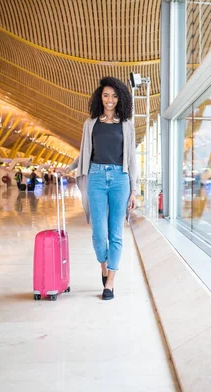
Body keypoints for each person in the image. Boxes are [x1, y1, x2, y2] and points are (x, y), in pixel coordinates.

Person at [67, 76, 137, 301]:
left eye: (114, 96)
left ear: (121, 99)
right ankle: (104, 267)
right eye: (106, 95)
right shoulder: (90, 124)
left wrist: (134, 189)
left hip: (120, 179)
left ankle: (111, 282)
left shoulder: (127, 125)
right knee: (99, 234)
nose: (110, 100)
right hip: (96, 177)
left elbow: (133, 159)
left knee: (115, 232)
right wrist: (68, 168)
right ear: (100, 98)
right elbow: (85, 151)